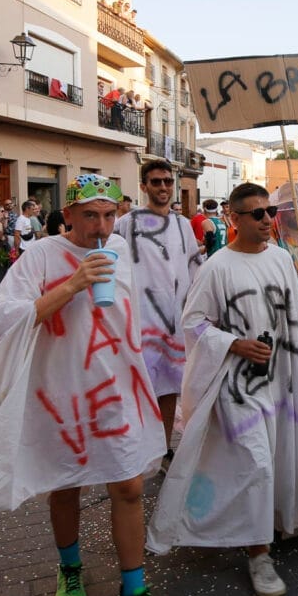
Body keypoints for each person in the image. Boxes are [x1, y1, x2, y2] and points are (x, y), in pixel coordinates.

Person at [0, 174, 174, 596]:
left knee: (129, 487)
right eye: (90, 216)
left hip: (115, 391)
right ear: (68, 216)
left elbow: (131, 319)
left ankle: (134, 592)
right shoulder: (42, 255)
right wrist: (73, 284)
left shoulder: (121, 251)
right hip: (60, 394)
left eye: (108, 215)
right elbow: (4, 318)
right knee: (65, 484)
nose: (101, 225)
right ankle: (70, 568)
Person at [147, 183, 298, 596]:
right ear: (234, 219)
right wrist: (235, 343)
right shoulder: (217, 267)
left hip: (282, 376)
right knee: (258, 462)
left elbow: (297, 313)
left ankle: (273, 523)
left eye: (269, 212)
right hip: (237, 384)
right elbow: (192, 323)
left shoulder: (283, 259)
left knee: (281, 454)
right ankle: (258, 554)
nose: (267, 220)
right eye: (256, 214)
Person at [114, 159, 202, 456]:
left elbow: (194, 269)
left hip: (174, 323)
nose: (163, 187)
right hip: (139, 323)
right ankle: (137, 450)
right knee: (138, 389)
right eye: (156, 182)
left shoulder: (183, 225)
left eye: (167, 181)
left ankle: (163, 449)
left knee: (168, 388)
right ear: (143, 187)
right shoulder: (126, 224)